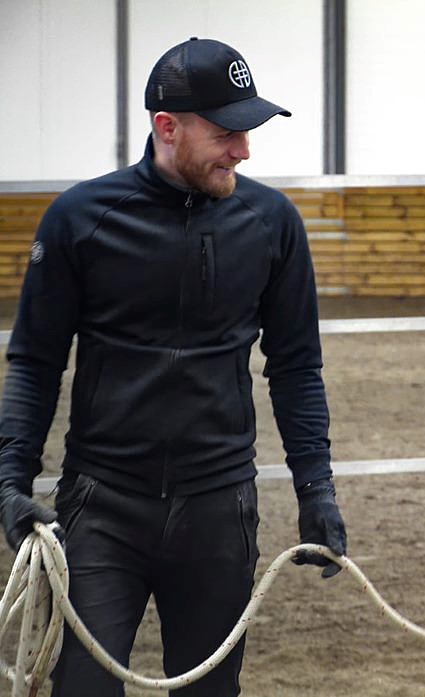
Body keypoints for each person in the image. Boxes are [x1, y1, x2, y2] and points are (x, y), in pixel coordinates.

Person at [0, 37, 347, 696]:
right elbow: (36, 361)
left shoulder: (273, 224)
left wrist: (316, 489)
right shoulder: (79, 221)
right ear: (167, 127)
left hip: (219, 514)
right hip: (101, 511)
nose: (243, 150)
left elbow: (296, 364)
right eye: (226, 133)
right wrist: (9, 477)